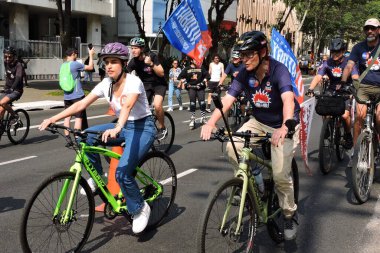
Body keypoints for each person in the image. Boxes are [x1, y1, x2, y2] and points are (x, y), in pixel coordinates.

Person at [39, 42, 155, 234]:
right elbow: (81, 104)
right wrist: (53, 117)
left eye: (114, 62)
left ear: (124, 63)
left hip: (143, 128)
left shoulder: (134, 82)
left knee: (122, 173)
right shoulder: (106, 84)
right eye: (106, 62)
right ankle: (97, 175)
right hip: (125, 126)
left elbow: (126, 108)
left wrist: (117, 127)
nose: (109, 65)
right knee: (86, 137)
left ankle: (140, 208)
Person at [201, 31, 301, 240]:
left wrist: (284, 127)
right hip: (258, 121)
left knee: (281, 176)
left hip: (284, 123)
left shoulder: (278, 71)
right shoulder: (245, 74)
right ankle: (254, 179)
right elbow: (228, 101)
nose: (243, 60)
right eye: (242, 55)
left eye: (249, 55)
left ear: (263, 52)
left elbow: (288, 101)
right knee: (231, 145)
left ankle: (289, 214)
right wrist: (211, 122)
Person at [306, 38, 359, 149]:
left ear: (343, 51)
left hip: (346, 90)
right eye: (332, 52)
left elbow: (355, 77)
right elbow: (318, 76)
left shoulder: (349, 63)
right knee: (323, 107)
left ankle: (348, 135)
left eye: (337, 52)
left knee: (344, 115)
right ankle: (328, 129)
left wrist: (354, 88)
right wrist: (310, 89)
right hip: (332, 89)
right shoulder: (327, 63)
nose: (334, 54)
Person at [341, 18, 380, 147]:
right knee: (359, 117)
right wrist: (343, 83)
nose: (370, 31)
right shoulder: (358, 47)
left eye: (373, 28)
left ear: (378, 30)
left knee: (379, 118)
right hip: (363, 87)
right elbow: (349, 66)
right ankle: (356, 150)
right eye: (367, 29)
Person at [127, 37, 167, 139]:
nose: (133, 50)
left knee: (157, 105)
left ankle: (162, 127)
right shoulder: (134, 61)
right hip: (145, 85)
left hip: (159, 84)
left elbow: (161, 73)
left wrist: (151, 64)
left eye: (136, 48)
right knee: (135, 106)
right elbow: (124, 74)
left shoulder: (152, 56)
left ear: (142, 48)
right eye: (132, 48)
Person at [60, 48, 93, 145]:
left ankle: (67, 138)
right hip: (77, 96)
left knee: (67, 117)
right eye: (76, 54)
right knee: (78, 118)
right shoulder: (75, 64)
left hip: (67, 96)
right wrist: (91, 54)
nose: (77, 56)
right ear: (73, 54)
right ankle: (77, 138)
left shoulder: (63, 65)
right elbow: (90, 67)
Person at [178, 58, 210, 129]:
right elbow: (180, 77)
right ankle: (192, 119)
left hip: (200, 88)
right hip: (191, 88)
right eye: (195, 59)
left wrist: (202, 83)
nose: (197, 61)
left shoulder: (201, 67)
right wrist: (186, 83)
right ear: (192, 60)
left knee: (202, 102)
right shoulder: (187, 69)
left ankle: (203, 118)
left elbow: (207, 76)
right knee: (192, 103)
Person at [0, 46, 24, 124]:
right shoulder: (5, 62)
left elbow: (18, 78)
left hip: (16, 90)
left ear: (14, 57)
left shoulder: (18, 65)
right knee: (1, 110)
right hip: (7, 89)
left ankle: (15, 116)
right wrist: (6, 88)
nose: (7, 59)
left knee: (3, 102)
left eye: (9, 57)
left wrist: (12, 88)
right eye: (5, 56)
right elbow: (8, 76)